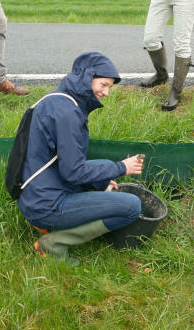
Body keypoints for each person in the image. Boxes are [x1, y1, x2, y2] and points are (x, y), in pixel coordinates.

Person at [17, 52, 144, 265]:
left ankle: (45, 222)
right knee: (132, 206)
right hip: (46, 203)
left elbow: (66, 163)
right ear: (87, 77)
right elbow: (73, 172)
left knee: (103, 169)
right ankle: (54, 243)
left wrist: (105, 174)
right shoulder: (68, 114)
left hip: (34, 192)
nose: (106, 93)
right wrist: (121, 167)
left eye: (109, 87)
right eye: (103, 85)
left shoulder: (58, 100)